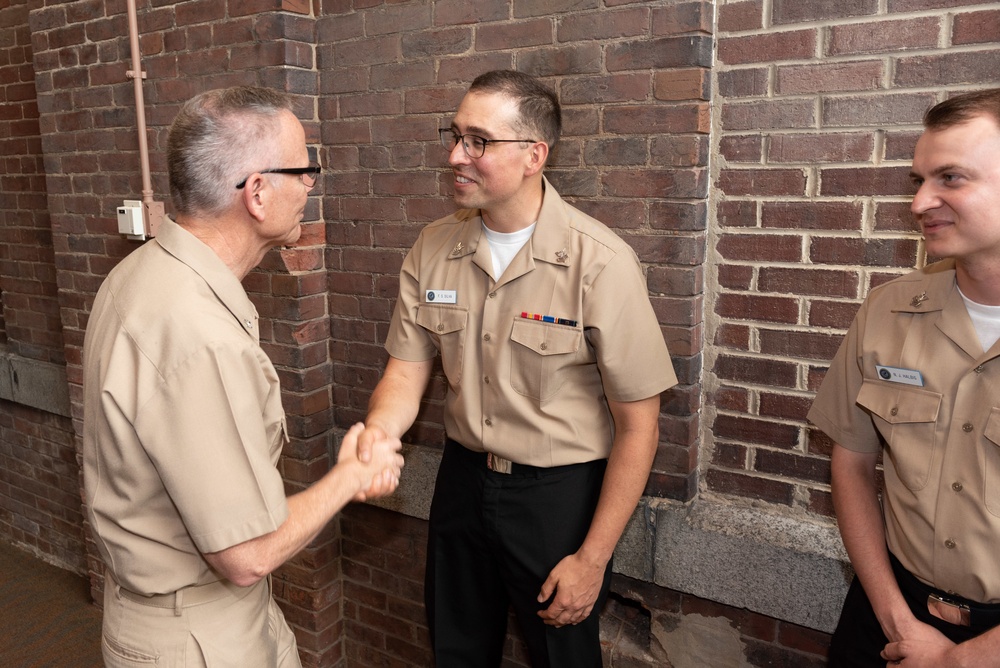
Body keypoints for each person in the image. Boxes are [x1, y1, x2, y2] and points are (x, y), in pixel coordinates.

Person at [359, 70, 677, 667]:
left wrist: (592, 558)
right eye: (455, 136)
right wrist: (379, 434)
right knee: (456, 651)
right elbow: (405, 372)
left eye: (478, 140)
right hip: (461, 481)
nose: (457, 155)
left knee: (562, 656)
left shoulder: (600, 262)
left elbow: (640, 425)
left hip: (558, 496)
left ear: (535, 154)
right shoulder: (432, 247)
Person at [82, 86, 403, 667]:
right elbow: (245, 554)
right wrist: (351, 476)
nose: (310, 184)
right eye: (303, 169)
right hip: (197, 637)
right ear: (257, 192)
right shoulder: (198, 332)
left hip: (207, 615)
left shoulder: (141, 274)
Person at [808, 88, 1000, 667]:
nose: (920, 203)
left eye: (951, 178)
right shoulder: (888, 310)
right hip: (889, 617)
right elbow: (851, 462)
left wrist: (960, 661)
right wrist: (896, 619)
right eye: (918, 181)